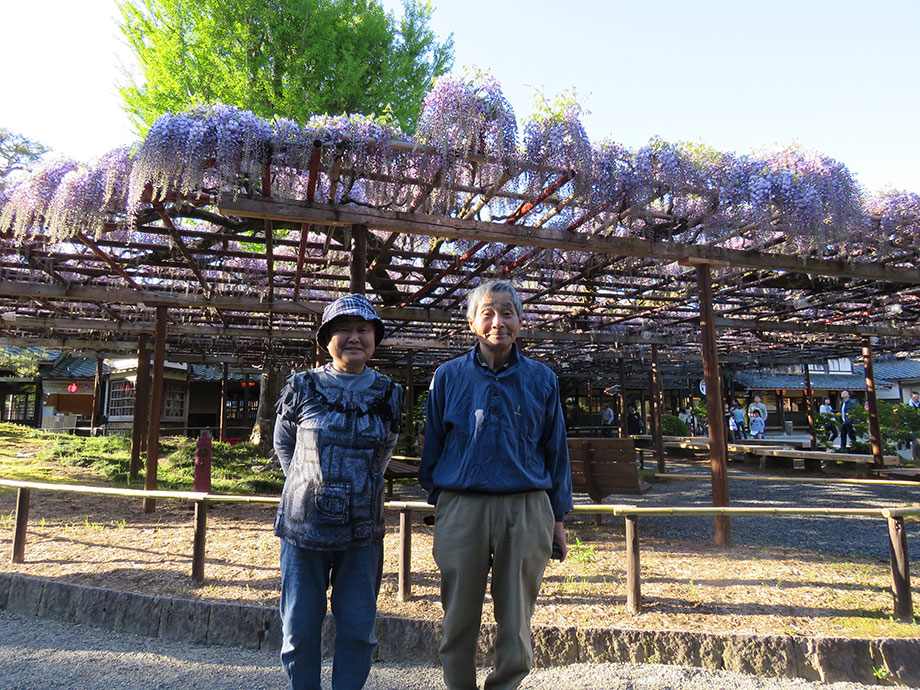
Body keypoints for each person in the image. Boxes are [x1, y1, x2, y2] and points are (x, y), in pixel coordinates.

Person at [418, 280, 573, 690]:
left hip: (525, 508)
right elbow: (433, 443)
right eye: (487, 312)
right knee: (457, 618)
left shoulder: (543, 379)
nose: (497, 322)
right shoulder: (448, 376)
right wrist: (442, 502)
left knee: (517, 620)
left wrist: (557, 517)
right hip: (461, 505)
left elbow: (555, 449)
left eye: (507, 312)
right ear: (471, 321)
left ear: (521, 321)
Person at [273, 294, 403, 690]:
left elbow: (386, 449)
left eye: (363, 329)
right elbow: (284, 443)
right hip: (303, 530)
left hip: (362, 533)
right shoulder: (303, 385)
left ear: (374, 338)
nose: (354, 337)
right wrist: (307, 484)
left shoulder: (389, 393)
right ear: (326, 339)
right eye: (342, 329)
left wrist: (359, 489)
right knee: (299, 629)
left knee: (358, 629)